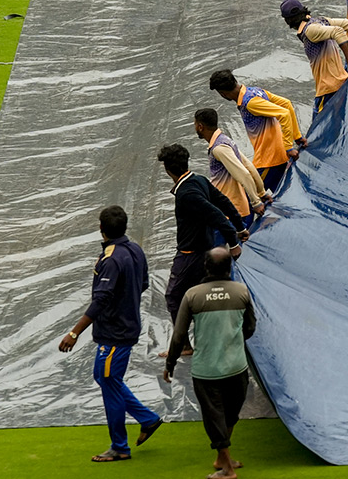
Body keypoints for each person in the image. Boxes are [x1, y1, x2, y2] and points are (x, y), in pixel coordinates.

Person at [58, 205, 162, 463]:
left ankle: (120, 447)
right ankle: (148, 419)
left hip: (115, 334)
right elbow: (144, 283)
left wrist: (74, 332)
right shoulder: (135, 249)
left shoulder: (112, 259)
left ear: (101, 228)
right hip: (126, 326)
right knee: (105, 378)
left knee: (109, 383)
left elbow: (101, 299)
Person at [164, 247, 255, 479]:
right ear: (229, 268)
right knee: (230, 415)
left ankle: (227, 469)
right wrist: (232, 340)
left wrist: (171, 363)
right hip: (236, 366)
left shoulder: (192, 295)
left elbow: (178, 335)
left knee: (214, 418)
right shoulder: (242, 291)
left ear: (205, 267)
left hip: (207, 370)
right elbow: (251, 328)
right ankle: (222, 458)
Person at [158, 143, 247, 357]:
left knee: (173, 296)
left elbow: (215, 214)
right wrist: (240, 226)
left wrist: (233, 243)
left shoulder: (186, 194)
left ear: (168, 170)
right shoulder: (199, 180)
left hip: (190, 255)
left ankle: (184, 345)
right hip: (206, 251)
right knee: (207, 294)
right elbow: (224, 202)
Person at [209, 70, 303, 194]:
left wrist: (289, 146)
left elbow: (284, 114)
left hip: (267, 161)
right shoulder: (255, 91)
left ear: (223, 93)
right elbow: (287, 104)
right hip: (278, 158)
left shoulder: (249, 103)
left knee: (249, 196)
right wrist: (297, 137)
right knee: (284, 194)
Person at [279, 0, 348, 117]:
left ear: (288, 20)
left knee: (318, 130)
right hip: (343, 82)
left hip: (328, 90)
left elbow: (338, 32)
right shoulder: (321, 21)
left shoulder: (310, 30)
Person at [194, 108, 266, 231]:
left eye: (195, 124)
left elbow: (244, 174)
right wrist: (261, 193)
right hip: (237, 208)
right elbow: (249, 166)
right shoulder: (225, 140)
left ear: (200, 126)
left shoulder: (219, 149)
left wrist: (256, 202)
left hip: (230, 211)